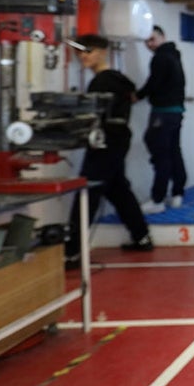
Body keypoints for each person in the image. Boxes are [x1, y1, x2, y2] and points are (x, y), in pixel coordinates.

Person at [65, 34, 152, 267]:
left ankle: (71, 252)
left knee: (89, 191)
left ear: (103, 52)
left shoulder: (102, 82)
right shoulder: (119, 81)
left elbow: (95, 116)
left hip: (106, 142)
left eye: (89, 51)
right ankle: (141, 236)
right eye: (81, 52)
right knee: (118, 189)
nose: (84, 56)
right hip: (117, 140)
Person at [136, 25, 187, 214]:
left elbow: (153, 83)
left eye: (152, 39)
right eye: (147, 41)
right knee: (174, 151)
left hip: (162, 112)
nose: (150, 44)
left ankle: (157, 199)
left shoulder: (160, 58)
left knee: (161, 154)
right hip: (176, 111)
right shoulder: (174, 55)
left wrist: (137, 96)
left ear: (162, 37)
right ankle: (177, 193)